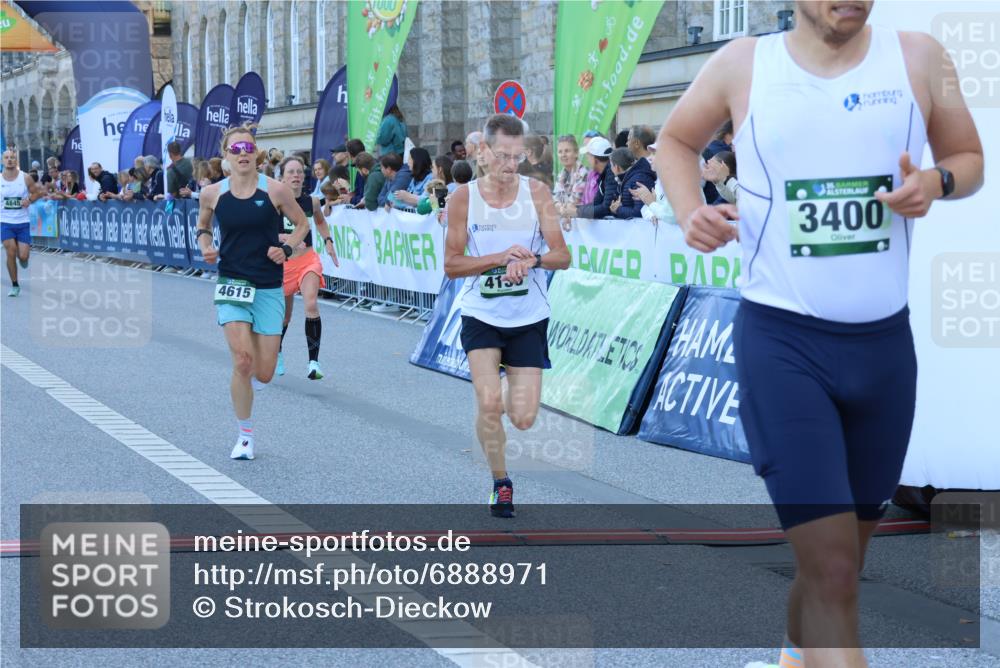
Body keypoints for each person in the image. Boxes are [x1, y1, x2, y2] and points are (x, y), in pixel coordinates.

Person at [654, 2, 984, 667]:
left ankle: (792, 657)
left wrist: (937, 181)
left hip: (885, 354)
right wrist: (691, 211)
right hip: (784, 348)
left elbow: (968, 157)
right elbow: (674, 141)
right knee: (832, 569)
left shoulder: (921, 57)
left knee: (837, 568)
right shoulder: (743, 63)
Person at [444, 113, 570, 518]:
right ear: (483, 152)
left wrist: (532, 260)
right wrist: (500, 258)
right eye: (502, 156)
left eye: (517, 157)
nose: (509, 165)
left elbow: (563, 256)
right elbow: (452, 265)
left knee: (524, 417)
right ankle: (501, 483)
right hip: (481, 312)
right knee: (487, 402)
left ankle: (496, 423)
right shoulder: (463, 198)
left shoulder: (538, 194)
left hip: (527, 315)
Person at [195, 124, 313, 461]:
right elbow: (203, 226)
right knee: (242, 361)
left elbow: (301, 224)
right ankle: (244, 436)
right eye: (236, 149)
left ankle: (257, 378)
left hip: (267, 286)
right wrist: (206, 244)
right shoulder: (213, 193)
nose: (243, 153)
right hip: (232, 282)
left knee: (264, 371)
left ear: (256, 152)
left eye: (248, 147)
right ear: (226, 156)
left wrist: (287, 249)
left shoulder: (275, 191)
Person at [276, 156, 340, 379]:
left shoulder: (312, 202)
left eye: (299, 172)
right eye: (291, 172)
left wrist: (328, 241)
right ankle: (278, 350)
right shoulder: (274, 202)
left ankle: (314, 362)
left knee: (311, 303)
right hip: (283, 264)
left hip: (307, 260)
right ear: (282, 178)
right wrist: (283, 236)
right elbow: (261, 231)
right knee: (284, 317)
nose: (296, 176)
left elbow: (320, 222)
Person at [2, 148, 43, 296]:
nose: (10, 160)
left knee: (23, 256)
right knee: (11, 251)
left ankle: (23, 258)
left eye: (12, 157)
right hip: (5, 222)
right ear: (2, 161)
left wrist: (29, 200)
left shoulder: (25, 177)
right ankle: (15, 285)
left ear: (16, 160)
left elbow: (38, 192)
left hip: (23, 222)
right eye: (6, 157)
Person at [561, 137, 614, 219]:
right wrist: (575, 209)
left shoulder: (611, 175)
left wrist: (576, 211)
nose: (587, 159)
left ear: (595, 160)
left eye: (588, 156)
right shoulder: (604, 174)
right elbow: (596, 203)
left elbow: (605, 208)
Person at [610, 145, 657, 219]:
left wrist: (618, 209)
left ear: (616, 167)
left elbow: (639, 212)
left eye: (611, 165)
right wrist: (617, 209)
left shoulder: (638, 179)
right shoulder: (627, 179)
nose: (611, 169)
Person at [552, 135, 589, 212]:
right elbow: (555, 199)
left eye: (567, 151)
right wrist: (559, 206)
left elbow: (576, 200)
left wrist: (561, 208)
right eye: (560, 152)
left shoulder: (583, 173)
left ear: (576, 153)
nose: (563, 155)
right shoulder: (560, 175)